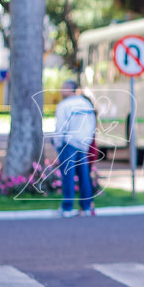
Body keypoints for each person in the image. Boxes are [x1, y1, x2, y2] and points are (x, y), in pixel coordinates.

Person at [53, 79, 97, 217]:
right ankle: (86, 206)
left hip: (68, 143)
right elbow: (92, 124)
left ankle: (67, 207)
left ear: (70, 89)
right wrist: (87, 141)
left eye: (63, 87)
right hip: (83, 143)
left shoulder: (64, 106)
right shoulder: (86, 104)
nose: (61, 90)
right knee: (84, 176)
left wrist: (58, 143)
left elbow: (60, 127)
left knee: (68, 176)